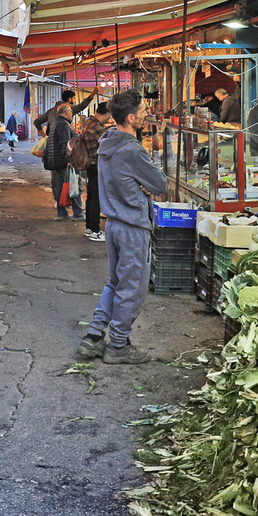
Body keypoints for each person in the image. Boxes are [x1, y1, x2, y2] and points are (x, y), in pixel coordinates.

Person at [78, 89, 168, 364]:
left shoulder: (108, 142)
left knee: (115, 282)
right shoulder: (132, 150)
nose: (145, 115)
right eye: (142, 112)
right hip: (132, 227)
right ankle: (118, 345)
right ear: (130, 118)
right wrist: (146, 185)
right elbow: (160, 184)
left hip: (113, 225)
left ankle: (93, 337)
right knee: (132, 288)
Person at [70, 108, 109, 242]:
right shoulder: (96, 127)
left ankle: (89, 227)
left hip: (90, 164)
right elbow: (108, 143)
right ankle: (96, 230)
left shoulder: (88, 122)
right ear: (106, 113)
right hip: (96, 164)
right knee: (96, 198)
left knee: (91, 196)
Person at [41, 101, 77, 220]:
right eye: (71, 112)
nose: (72, 114)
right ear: (66, 112)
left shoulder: (56, 123)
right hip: (62, 161)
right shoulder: (63, 124)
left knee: (62, 187)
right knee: (72, 186)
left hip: (56, 161)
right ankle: (77, 213)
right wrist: (69, 159)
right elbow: (65, 144)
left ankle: (63, 213)